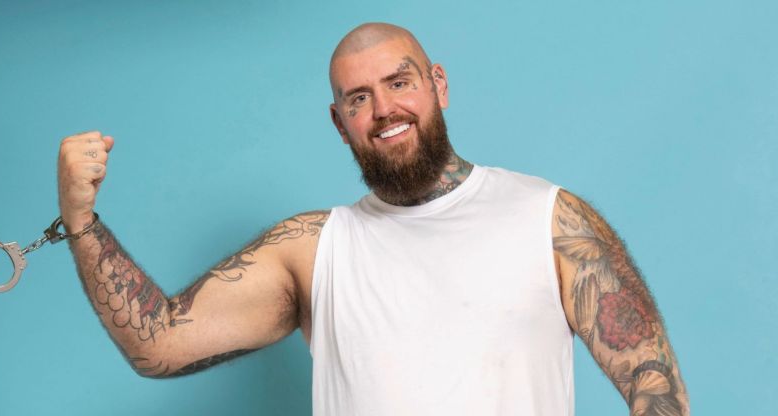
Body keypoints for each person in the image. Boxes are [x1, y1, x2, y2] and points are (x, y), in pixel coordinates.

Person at [57, 23, 688, 415]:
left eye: (399, 83)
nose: (384, 109)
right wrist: (81, 220)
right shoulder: (310, 250)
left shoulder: (549, 218)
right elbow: (157, 343)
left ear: (437, 85)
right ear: (340, 123)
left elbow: (653, 388)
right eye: (359, 98)